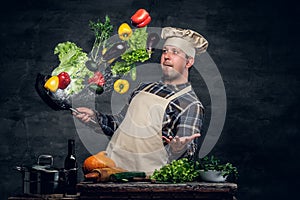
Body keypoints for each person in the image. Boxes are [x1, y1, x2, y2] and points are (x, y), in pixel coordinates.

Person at [73, 27, 209, 175]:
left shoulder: (190, 104)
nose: (167, 56)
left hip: (148, 182)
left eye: (175, 52)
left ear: (189, 62)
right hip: (112, 171)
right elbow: (119, 124)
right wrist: (95, 117)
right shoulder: (143, 88)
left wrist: (178, 150)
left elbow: (187, 160)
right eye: (164, 51)